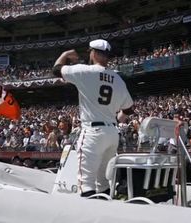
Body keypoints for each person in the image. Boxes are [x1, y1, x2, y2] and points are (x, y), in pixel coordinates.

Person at [52, 39, 134, 197]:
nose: (89, 54)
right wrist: (116, 122)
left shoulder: (85, 71)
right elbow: (129, 109)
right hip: (111, 133)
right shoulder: (118, 79)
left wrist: (65, 54)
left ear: (94, 53)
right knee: (103, 183)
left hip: (93, 132)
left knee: (86, 184)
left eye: (90, 51)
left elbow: (56, 70)